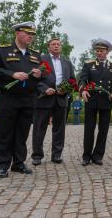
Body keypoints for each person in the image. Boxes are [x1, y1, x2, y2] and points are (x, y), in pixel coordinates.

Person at [0, 21, 42, 178]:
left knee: (22, 133)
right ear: (17, 33)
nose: (30, 36)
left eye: (32, 34)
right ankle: (2, 165)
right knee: (5, 133)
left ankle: (18, 163)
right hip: (8, 98)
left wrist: (39, 75)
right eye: (27, 33)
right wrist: (12, 74)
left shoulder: (35, 54)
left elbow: (40, 77)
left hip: (28, 99)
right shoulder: (2, 50)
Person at [31, 38, 76, 166]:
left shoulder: (67, 62)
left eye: (58, 44)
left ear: (61, 47)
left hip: (61, 99)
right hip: (44, 99)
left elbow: (72, 80)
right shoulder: (41, 59)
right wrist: (45, 89)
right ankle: (37, 155)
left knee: (59, 129)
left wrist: (65, 89)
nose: (56, 46)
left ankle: (56, 155)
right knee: (39, 128)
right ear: (48, 47)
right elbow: (34, 79)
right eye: (53, 44)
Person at [79, 39, 112, 166]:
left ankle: (98, 156)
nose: (99, 53)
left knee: (103, 130)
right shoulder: (89, 64)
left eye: (101, 51)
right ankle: (86, 156)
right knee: (89, 129)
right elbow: (82, 80)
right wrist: (82, 91)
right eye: (97, 50)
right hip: (91, 100)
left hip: (106, 101)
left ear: (107, 51)